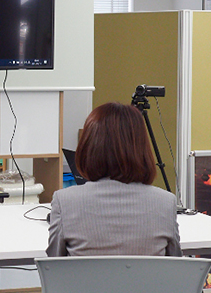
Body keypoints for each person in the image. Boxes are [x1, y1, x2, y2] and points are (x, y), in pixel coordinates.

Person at [46, 102, 181, 257]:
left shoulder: (64, 201)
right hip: (144, 282)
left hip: (87, 282)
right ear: (142, 149)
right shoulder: (166, 202)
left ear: (88, 147)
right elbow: (175, 265)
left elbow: (54, 266)